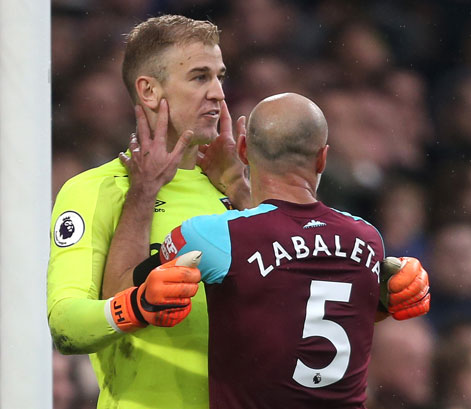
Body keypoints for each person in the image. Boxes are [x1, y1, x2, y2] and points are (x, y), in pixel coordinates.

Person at [48, 15, 428, 409]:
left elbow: (293, 296)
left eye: (220, 76)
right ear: (148, 90)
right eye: (199, 77)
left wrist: (381, 297)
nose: (217, 93)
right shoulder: (96, 190)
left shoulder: (236, 188)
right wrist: (137, 301)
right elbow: (67, 326)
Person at [133, 93, 430, 408]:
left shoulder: (213, 235)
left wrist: (144, 189)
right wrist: (237, 187)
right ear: (322, 158)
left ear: (244, 150)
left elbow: (133, 285)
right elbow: (303, 300)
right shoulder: (368, 238)